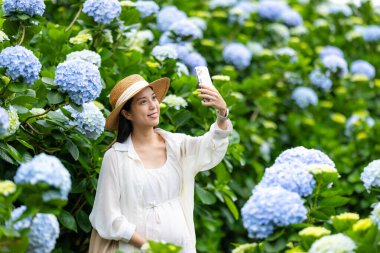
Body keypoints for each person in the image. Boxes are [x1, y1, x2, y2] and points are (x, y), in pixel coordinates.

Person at [89, 74, 232, 253]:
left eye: (154, 98)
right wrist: (147, 247)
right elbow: (107, 216)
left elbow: (210, 147)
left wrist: (222, 114)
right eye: (143, 102)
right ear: (127, 113)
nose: (153, 106)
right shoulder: (115, 157)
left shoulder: (176, 145)